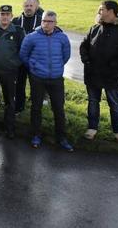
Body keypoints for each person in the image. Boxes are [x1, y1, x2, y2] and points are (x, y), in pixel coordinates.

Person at [80, 0, 118, 145]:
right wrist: (86, 60)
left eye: (102, 9)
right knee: (93, 101)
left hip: (112, 74)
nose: (99, 12)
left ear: (111, 11)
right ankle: (92, 128)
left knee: (114, 102)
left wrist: (115, 64)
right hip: (93, 73)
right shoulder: (94, 28)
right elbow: (83, 46)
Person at [19, 10, 73, 152]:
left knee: (59, 109)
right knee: (36, 108)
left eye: (49, 22)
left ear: (55, 23)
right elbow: (23, 55)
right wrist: (33, 66)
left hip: (56, 78)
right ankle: (36, 135)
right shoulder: (31, 37)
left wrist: (57, 67)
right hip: (38, 78)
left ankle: (61, 138)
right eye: (44, 21)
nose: (46, 24)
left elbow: (66, 55)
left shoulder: (62, 38)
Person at [0, 5, 25, 139]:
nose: (5, 17)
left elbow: (23, 51)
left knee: (10, 101)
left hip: (10, 72)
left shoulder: (18, 31)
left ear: (12, 16)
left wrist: (15, 64)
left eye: (7, 14)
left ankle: (9, 128)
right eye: (2, 14)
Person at [12, 0, 44, 113]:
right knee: (19, 84)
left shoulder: (42, 21)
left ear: (36, 6)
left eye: (31, 5)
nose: (28, 8)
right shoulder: (16, 21)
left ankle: (36, 108)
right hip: (19, 59)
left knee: (36, 85)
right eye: (26, 5)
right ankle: (19, 107)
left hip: (35, 59)